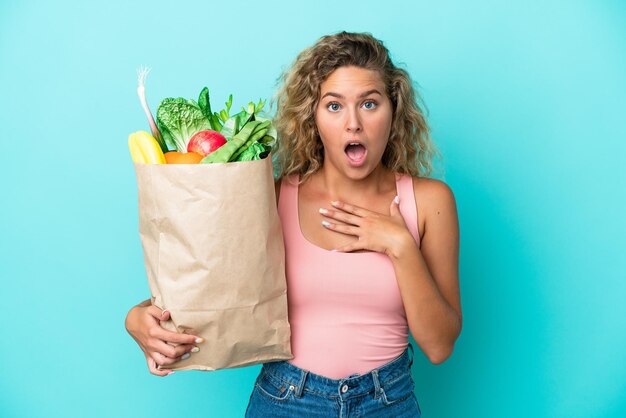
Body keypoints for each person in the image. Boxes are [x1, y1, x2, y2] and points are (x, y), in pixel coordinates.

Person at [125, 31, 462, 417]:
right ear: (313, 117)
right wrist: (137, 317)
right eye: (334, 106)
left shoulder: (429, 202)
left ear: (394, 110)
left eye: (369, 103)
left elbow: (439, 346)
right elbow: (205, 291)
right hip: (287, 400)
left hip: (388, 402)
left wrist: (399, 244)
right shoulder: (271, 198)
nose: (353, 124)